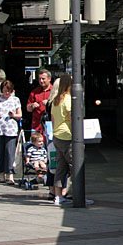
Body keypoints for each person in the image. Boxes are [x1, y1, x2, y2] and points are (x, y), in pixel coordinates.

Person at [0, 80, 23, 185]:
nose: (6, 93)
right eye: (4, 91)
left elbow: (19, 115)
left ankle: (10, 175)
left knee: (9, 152)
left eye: (8, 91)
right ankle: (2, 175)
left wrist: (13, 115)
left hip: (11, 130)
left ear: (11, 90)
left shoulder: (15, 100)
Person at [51, 74, 73, 205]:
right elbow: (72, 118)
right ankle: (76, 195)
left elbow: (53, 119)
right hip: (67, 135)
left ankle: (58, 196)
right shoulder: (68, 99)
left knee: (60, 167)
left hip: (57, 135)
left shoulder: (56, 100)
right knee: (75, 166)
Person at [26, 68, 52, 135]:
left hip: (51, 125)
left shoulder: (55, 91)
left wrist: (50, 104)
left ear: (49, 79)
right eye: (39, 79)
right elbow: (28, 109)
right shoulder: (34, 92)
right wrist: (32, 105)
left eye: (43, 79)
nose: (41, 81)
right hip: (37, 126)